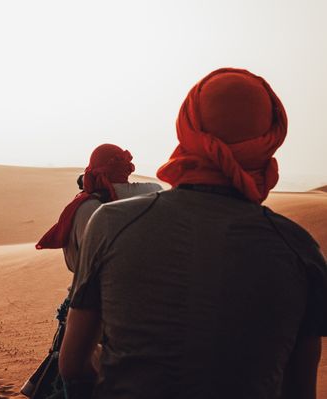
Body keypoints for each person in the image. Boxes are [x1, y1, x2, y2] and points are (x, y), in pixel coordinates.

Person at [59, 68, 327, 399]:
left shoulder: (110, 223)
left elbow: (72, 365)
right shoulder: (301, 250)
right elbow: (300, 390)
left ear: (188, 129)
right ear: (269, 140)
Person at [22, 145, 162, 398]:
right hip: (104, 304)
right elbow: (155, 189)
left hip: (89, 301)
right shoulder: (108, 207)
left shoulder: (88, 206)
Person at [36, 143, 162, 273]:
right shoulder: (148, 193)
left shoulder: (81, 205)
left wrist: (89, 179)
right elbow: (156, 188)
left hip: (89, 283)